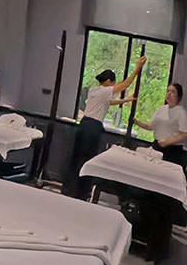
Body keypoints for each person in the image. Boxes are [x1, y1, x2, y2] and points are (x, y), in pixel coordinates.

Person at [62, 57, 145, 199]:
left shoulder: (94, 90)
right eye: (113, 83)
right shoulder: (105, 91)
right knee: (87, 159)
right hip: (92, 128)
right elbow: (125, 84)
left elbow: (109, 103)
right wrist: (137, 68)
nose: (113, 86)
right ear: (108, 81)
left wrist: (126, 100)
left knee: (77, 157)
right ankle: (81, 192)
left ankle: (69, 189)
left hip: (84, 125)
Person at [132, 83, 187, 167]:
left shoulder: (181, 112)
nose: (169, 93)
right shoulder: (162, 109)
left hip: (172, 151)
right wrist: (139, 123)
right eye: (168, 91)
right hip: (157, 147)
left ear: (178, 96)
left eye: (173, 92)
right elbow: (151, 126)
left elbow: (183, 134)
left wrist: (167, 142)